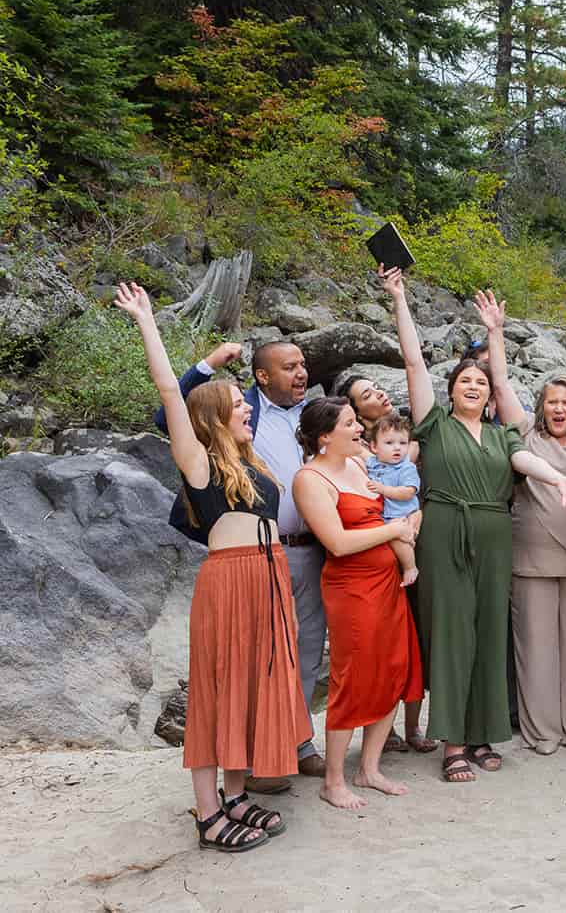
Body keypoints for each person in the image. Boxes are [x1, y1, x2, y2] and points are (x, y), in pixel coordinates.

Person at [115, 283, 308, 852]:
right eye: (239, 405)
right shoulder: (198, 464)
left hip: (269, 578)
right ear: (215, 418)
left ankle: (236, 793)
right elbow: (169, 394)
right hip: (231, 580)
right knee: (218, 690)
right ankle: (207, 814)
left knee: (253, 688)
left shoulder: (254, 464)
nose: (248, 407)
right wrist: (148, 322)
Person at [385, 270, 566, 783]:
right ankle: (453, 742)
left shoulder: (504, 436)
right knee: (453, 635)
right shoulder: (433, 425)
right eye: (465, 382)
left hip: (496, 540)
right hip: (445, 537)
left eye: (480, 382)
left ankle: (481, 734)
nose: (475, 386)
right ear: (452, 391)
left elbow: (529, 464)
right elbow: (414, 362)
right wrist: (399, 301)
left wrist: (562, 481)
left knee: (489, 635)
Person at [154, 336, 327, 787]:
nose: (301, 372)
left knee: (287, 662)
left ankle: (280, 753)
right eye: (288, 366)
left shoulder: (293, 425)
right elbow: (170, 402)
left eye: (303, 364)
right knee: (234, 673)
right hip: (240, 567)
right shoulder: (204, 457)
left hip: (288, 558)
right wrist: (203, 361)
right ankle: (231, 785)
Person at [292, 397, 424, 811]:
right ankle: (333, 780)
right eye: (350, 424)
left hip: (387, 582)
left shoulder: (360, 464)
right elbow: (338, 543)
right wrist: (393, 532)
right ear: (325, 436)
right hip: (351, 587)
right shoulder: (310, 480)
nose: (358, 430)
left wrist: (409, 523)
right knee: (352, 676)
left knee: (392, 668)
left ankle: (369, 768)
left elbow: (402, 479)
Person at [496, 374, 566, 754]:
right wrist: (495, 333)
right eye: (552, 401)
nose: (558, 409)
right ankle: (542, 731)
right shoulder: (526, 433)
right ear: (541, 405)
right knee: (536, 647)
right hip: (531, 556)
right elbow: (501, 387)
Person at [334, 372, 432, 756]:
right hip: (372, 557)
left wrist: (414, 516)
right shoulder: (358, 456)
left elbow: (410, 491)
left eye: (377, 386)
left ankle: (410, 725)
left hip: (404, 539)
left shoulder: (404, 447)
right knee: (383, 647)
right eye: (366, 395)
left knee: (412, 642)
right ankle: (384, 729)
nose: (379, 394)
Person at [364, 412, 421, 587]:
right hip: (382, 515)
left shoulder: (406, 468)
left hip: (400, 513)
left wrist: (383, 490)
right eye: (389, 443)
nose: (397, 448)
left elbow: (408, 492)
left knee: (399, 537)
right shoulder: (372, 463)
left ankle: (410, 567)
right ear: (374, 447)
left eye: (402, 443)